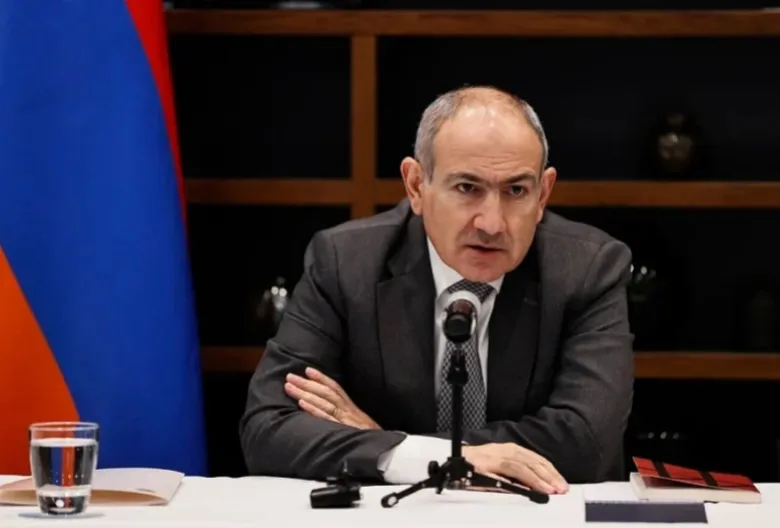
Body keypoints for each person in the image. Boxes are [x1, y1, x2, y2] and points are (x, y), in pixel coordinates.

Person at [239, 85, 634, 495]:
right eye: (467, 188)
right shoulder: (345, 263)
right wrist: (431, 457)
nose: (492, 223)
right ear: (416, 185)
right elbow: (269, 429)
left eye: (516, 191)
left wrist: (394, 445)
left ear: (543, 194)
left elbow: (587, 441)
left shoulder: (587, 269)